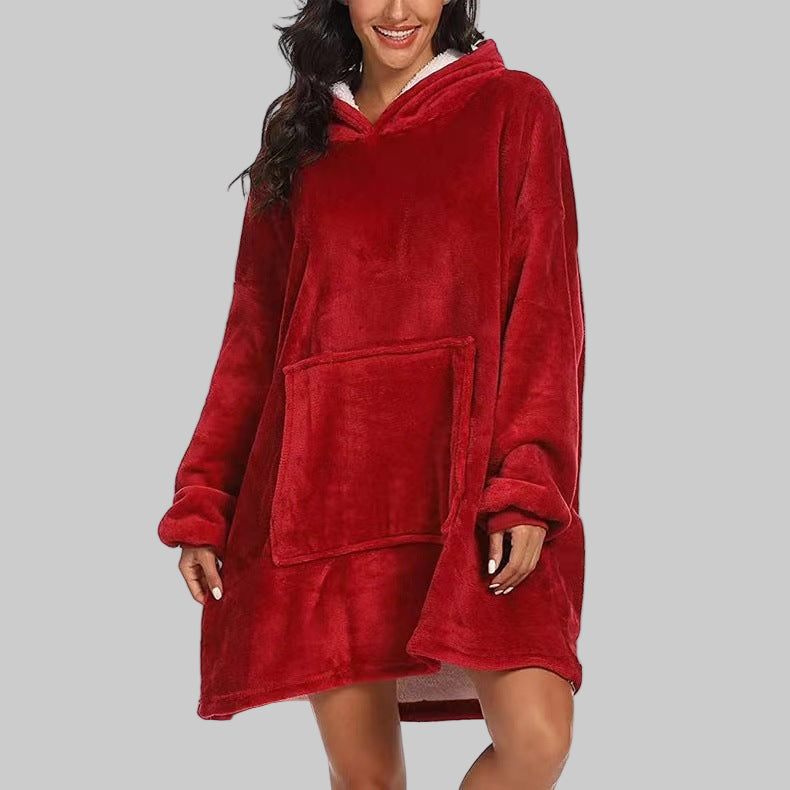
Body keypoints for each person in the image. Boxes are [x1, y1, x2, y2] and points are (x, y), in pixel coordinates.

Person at [157, 1, 586, 787]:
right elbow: (253, 338)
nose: (396, 11)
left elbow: (546, 315)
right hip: (328, 495)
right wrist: (205, 499)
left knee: (537, 740)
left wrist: (528, 485)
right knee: (367, 780)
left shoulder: (513, 108)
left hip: (467, 490)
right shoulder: (302, 138)